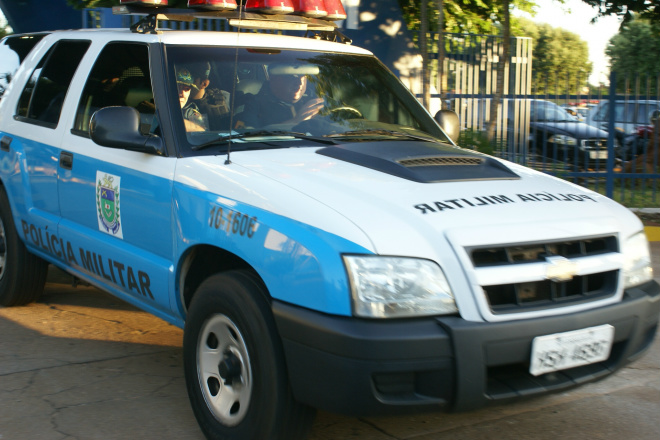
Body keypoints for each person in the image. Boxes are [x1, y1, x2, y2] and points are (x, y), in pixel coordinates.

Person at [235, 66, 324, 129]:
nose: (300, 83)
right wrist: (295, 121)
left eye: (304, 77)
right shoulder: (252, 103)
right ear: (273, 78)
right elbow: (246, 137)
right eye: (292, 76)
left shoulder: (315, 101)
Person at [188, 62, 231, 130]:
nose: (187, 84)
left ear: (204, 83)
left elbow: (250, 101)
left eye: (192, 80)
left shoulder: (224, 97)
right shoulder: (178, 103)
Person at [176, 67, 206, 132]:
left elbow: (201, 132)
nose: (182, 94)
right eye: (178, 88)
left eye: (187, 89)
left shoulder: (190, 113)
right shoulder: (155, 107)